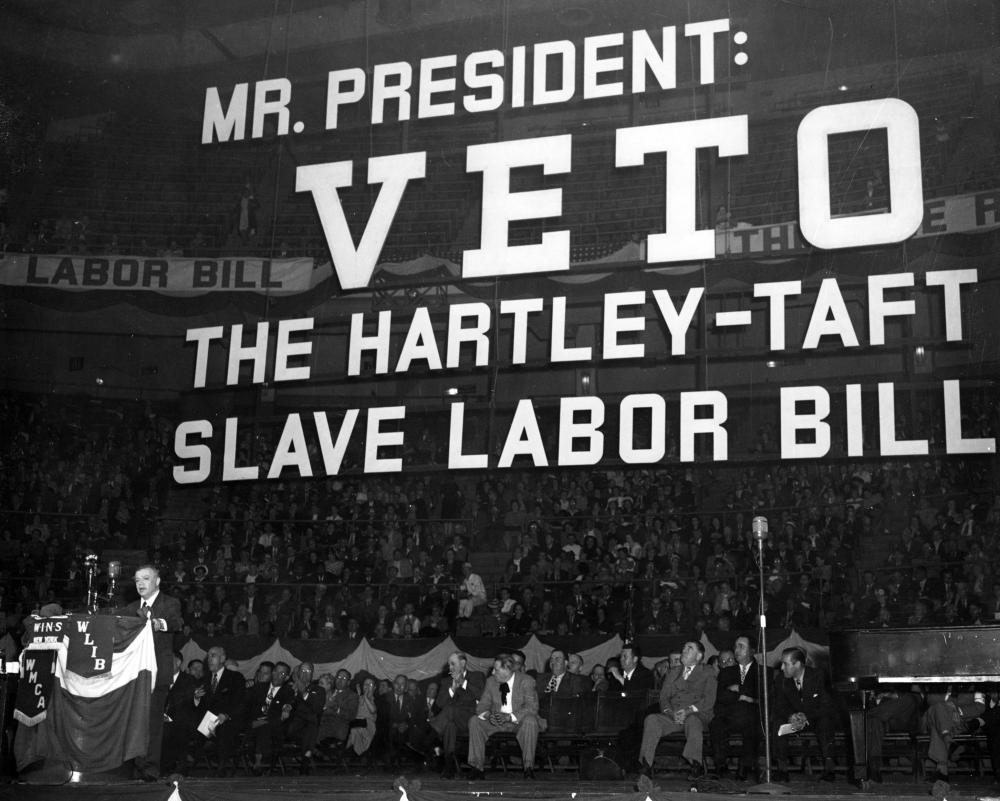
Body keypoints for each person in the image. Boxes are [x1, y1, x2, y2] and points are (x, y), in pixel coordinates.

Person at [123, 564, 184, 780]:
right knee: (133, 721)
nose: (140, 583)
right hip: (133, 674)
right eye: (137, 579)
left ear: (157, 581)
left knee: (153, 723)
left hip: (158, 672)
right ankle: (132, 766)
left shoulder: (170, 603)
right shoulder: (130, 609)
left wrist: (156, 623)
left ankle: (149, 769)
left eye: (145, 578)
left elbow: (177, 623)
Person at [639, 641, 717, 779]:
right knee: (651, 719)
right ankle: (646, 765)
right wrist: (670, 712)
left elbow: (709, 700)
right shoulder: (674, 672)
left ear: (699, 656)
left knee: (693, 721)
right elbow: (663, 698)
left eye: (689, 648)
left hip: (696, 715)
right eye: (684, 648)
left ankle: (695, 765)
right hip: (674, 716)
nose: (684, 651)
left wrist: (687, 711)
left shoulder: (707, 672)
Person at [467, 654, 541, 779]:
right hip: (496, 721)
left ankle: (528, 768)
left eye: (496, 669)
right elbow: (481, 706)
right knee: (474, 721)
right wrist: (489, 715)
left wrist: (510, 717)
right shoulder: (491, 681)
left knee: (530, 721)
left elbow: (532, 707)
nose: (493, 672)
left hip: (519, 721)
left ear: (507, 670)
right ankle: (477, 768)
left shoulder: (526, 681)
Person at [771, 646, 840, 782]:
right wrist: (791, 716)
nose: (782, 668)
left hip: (814, 718)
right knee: (778, 723)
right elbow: (779, 705)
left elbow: (827, 705)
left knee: (825, 721)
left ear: (797, 664)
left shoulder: (818, 675)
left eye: (785, 664)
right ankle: (782, 769)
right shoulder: (781, 679)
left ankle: (829, 768)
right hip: (794, 720)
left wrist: (806, 716)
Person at [709, 636, 762, 779]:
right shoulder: (727, 672)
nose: (737, 650)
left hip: (751, 716)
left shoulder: (762, 671)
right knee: (716, 724)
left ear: (752, 651)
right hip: (729, 715)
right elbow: (722, 696)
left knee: (753, 723)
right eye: (735, 646)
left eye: (741, 646)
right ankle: (721, 766)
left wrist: (739, 688)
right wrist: (745, 697)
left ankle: (745, 767)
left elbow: (762, 696)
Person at [192, 645, 247, 776]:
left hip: (226, 720)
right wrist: (196, 698)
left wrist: (227, 715)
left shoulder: (235, 677)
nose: (209, 659)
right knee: (186, 725)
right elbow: (199, 707)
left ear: (222, 658)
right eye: (208, 655)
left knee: (224, 729)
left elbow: (240, 702)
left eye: (213, 655)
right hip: (208, 722)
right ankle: (185, 766)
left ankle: (221, 768)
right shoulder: (204, 680)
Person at [431, 651, 485, 777]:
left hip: (471, 720)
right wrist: (452, 689)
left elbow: (481, 696)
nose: (450, 668)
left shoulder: (477, 676)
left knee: (450, 710)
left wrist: (463, 683)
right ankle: (449, 766)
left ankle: (431, 736)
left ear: (463, 663)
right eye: (449, 665)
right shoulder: (446, 681)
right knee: (450, 725)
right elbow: (438, 705)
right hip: (453, 720)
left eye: (453, 664)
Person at [923, 686, 986, 783]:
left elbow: (980, 707)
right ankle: (946, 735)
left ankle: (942, 771)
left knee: (938, 727)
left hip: (957, 721)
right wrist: (949, 708)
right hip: (936, 716)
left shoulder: (974, 685)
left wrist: (958, 711)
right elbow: (930, 700)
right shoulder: (940, 682)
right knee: (938, 709)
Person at [864, 690, 922, 782]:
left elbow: (884, 712)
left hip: (904, 715)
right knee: (874, 721)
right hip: (886, 719)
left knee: (874, 718)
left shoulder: (910, 698)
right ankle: (873, 769)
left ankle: (873, 768)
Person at [161, 650, 199, 776]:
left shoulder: (188, 680)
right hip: (161, 719)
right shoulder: (160, 679)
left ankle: (177, 766)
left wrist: (169, 717)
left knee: (176, 728)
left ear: (178, 662)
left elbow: (187, 702)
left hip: (181, 720)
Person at [285, 662, 326, 773]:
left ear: (312, 674)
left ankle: (305, 759)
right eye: (302, 671)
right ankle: (308, 753)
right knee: (312, 724)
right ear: (298, 673)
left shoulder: (319, 690)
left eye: (308, 671)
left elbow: (317, 708)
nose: (305, 674)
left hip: (306, 726)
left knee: (311, 726)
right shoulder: (289, 687)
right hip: (292, 725)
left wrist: (300, 688)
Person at [317, 669, 359, 748]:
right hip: (320, 725)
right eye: (338, 677)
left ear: (348, 682)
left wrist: (336, 708)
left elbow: (351, 716)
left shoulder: (352, 696)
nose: (340, 680)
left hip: (336, 730)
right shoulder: (329, 690)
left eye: (343, 679)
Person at [348, 677, 378, 757]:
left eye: (370, 684)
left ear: (374, 688)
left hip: (368, 725)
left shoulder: (376, 699)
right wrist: (359, 696)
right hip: (356, 723)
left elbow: (372, 710)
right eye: (365, 684)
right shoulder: (359, 697)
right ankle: (349, 753)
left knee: (355, 731)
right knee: (352, 731)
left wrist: (365, 697)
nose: (367, 686)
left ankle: (353, 753)